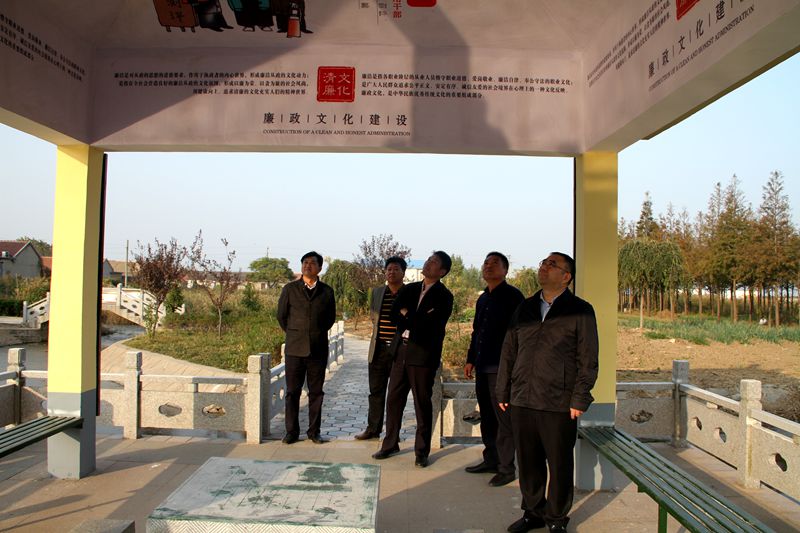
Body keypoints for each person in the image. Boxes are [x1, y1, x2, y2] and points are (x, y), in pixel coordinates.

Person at [498, 252, 599, 533]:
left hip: (559, 401)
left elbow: (588, 357)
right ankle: (533, 512)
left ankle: (556, 518)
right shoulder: (525, 307)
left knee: (559, 463)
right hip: (522, 398)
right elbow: (509, 350)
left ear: (566, 277)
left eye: (552, 264)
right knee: (528, 462)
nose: (544, 267)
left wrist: (580, 397)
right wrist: (503, 390)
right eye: (543, 262)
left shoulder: (580, 310)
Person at [372, 251, 454, 468]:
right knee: (394, 400)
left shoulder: (445, 296)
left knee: (421, 403)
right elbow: (393, 314)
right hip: (401, 351)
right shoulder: (409, 289)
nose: (428, 263)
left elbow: (432, 325)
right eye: (429, 259)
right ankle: (390, 443)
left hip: (423, 355)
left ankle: (421, 451)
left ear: (442, 271)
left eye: (434, 262)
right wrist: (413, 317)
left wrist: (407, 315)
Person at [463, 252, 524, 487]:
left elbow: (520, 335)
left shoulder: (513, 297)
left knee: (503, 420)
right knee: (487, 417)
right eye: (486, 263)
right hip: (483, 366)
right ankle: (491, 459)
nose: (488, 266)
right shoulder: (483, 299)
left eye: (494, 263)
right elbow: (477, 331)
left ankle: (507, 468)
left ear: (505, 270)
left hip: (502, 369)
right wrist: (470, 359)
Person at [277, 251, 336, 444]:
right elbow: (281, 316)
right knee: (292, 392)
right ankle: (291, 432)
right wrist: (296, 333)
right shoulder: (290, 289)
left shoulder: (327, 291)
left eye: (312, 263)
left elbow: (330, 318)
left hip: (318, 349)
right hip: (295, 349)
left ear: (320, 268)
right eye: (305, 262)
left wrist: (314, 332)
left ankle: (314, 432)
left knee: (316, 393)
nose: (307, 265)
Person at [355, 256, 407, 441]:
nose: (391, 272)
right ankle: (373, 429)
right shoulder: (377, 292)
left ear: (403, 273)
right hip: (378, 349)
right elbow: (373, 316)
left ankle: (393, 433)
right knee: (376, 391)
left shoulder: (409, 292)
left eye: (396, 269)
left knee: (396, 394)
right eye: (389, 269)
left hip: (400, 350)